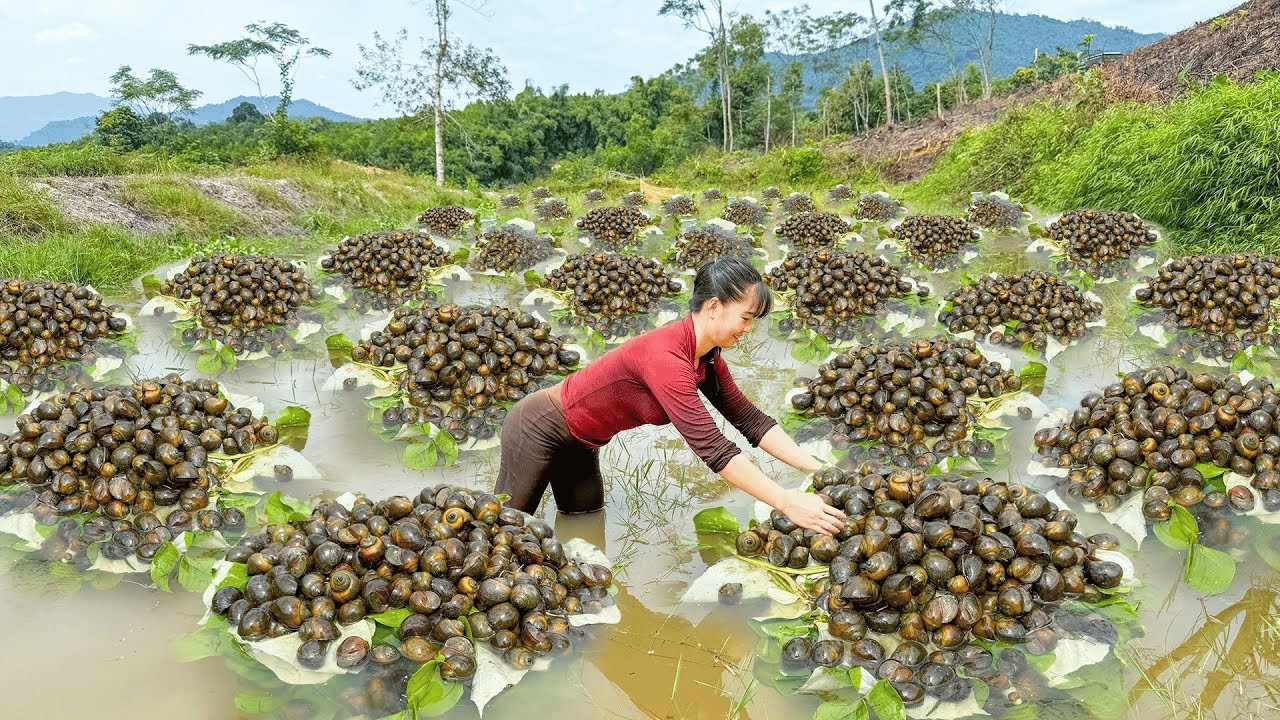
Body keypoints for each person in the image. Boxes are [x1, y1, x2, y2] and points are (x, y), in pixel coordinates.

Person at [494, 256, 846, 535]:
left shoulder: (706, 357)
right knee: (505, 529)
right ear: (713, 307)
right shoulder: (666, 358)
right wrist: (786, 502)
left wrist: (818, 469)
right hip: (538, 426)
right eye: (746, 318)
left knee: (585, 520)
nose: (748, 330)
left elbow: (751, 422)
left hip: (583, 441)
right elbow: (713, 447)